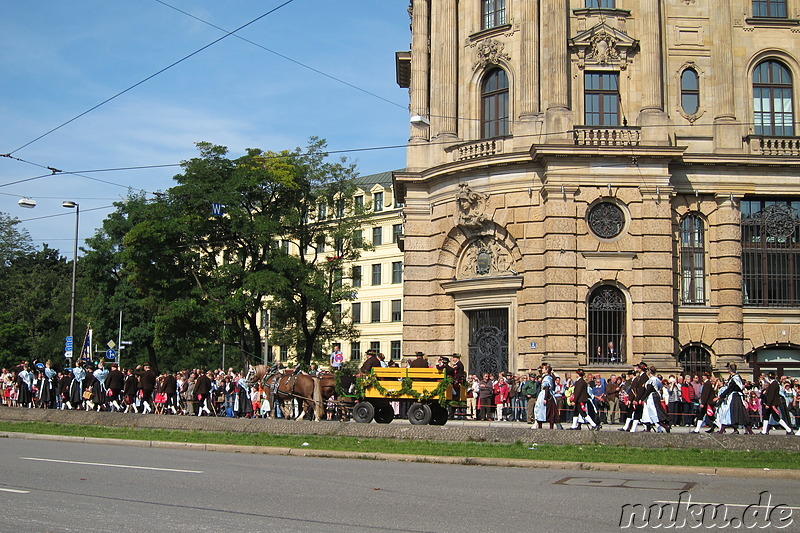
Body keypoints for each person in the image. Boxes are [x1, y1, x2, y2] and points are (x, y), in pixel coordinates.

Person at [715, 363, 753, 434]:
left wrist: (720, 396)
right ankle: (734, 430)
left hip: (735, 398)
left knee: (731, 413)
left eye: (728, 368)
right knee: (733, 414)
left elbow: (729, 389)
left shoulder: (735, 378)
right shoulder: (734, 377)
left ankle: (722, 431)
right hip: (735, 397)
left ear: (730, 369)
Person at [641, 366, 670, 433]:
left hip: (651, 398)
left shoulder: (652, 380)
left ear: (649, 371)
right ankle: (649, 428)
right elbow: (660, 387)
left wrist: (642, 398)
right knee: (648, 413)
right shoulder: (656, 379)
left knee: (654, 413)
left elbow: (649, 390)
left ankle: (664, 426)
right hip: (653, 396)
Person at [534, 364, 558, 429]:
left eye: (543, 368)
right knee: (550, 410)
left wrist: (545, 398)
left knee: (541, 409)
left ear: (546, 370)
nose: (542, 370)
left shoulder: (547, 378)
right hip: (549, 394)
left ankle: (540, 425)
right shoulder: (550, 377)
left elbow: (547, 387)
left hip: (545, 394)